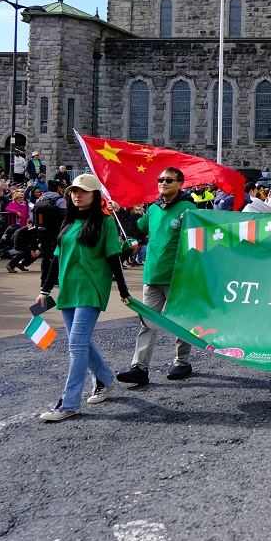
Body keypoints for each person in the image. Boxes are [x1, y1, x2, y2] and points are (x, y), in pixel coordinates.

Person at [36, 174, 130, 422]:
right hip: (68, 289)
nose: (77, 195)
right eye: (74, 191)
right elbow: (56, 258)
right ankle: (107, 380)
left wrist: (123, 291)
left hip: (91, 289)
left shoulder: (106, 223)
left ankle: (68, 403)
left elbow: (114, 258)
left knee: (76, 346)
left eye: (83, 191)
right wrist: (45, 290)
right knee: (82, 343)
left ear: (94, 194)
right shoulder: (67, 222)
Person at [115, 167, 197, 385]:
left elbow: (198, 242)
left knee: (180, 321)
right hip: (152, 274)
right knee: (147, 322)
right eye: (160, 179)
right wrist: (120, 211)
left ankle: (182, 362)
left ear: (181, 184)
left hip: (177, 276)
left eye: (169, 180)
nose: (163, 183)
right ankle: (139, 368)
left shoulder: (188, 208)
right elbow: (136, 231)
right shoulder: (153, 208)